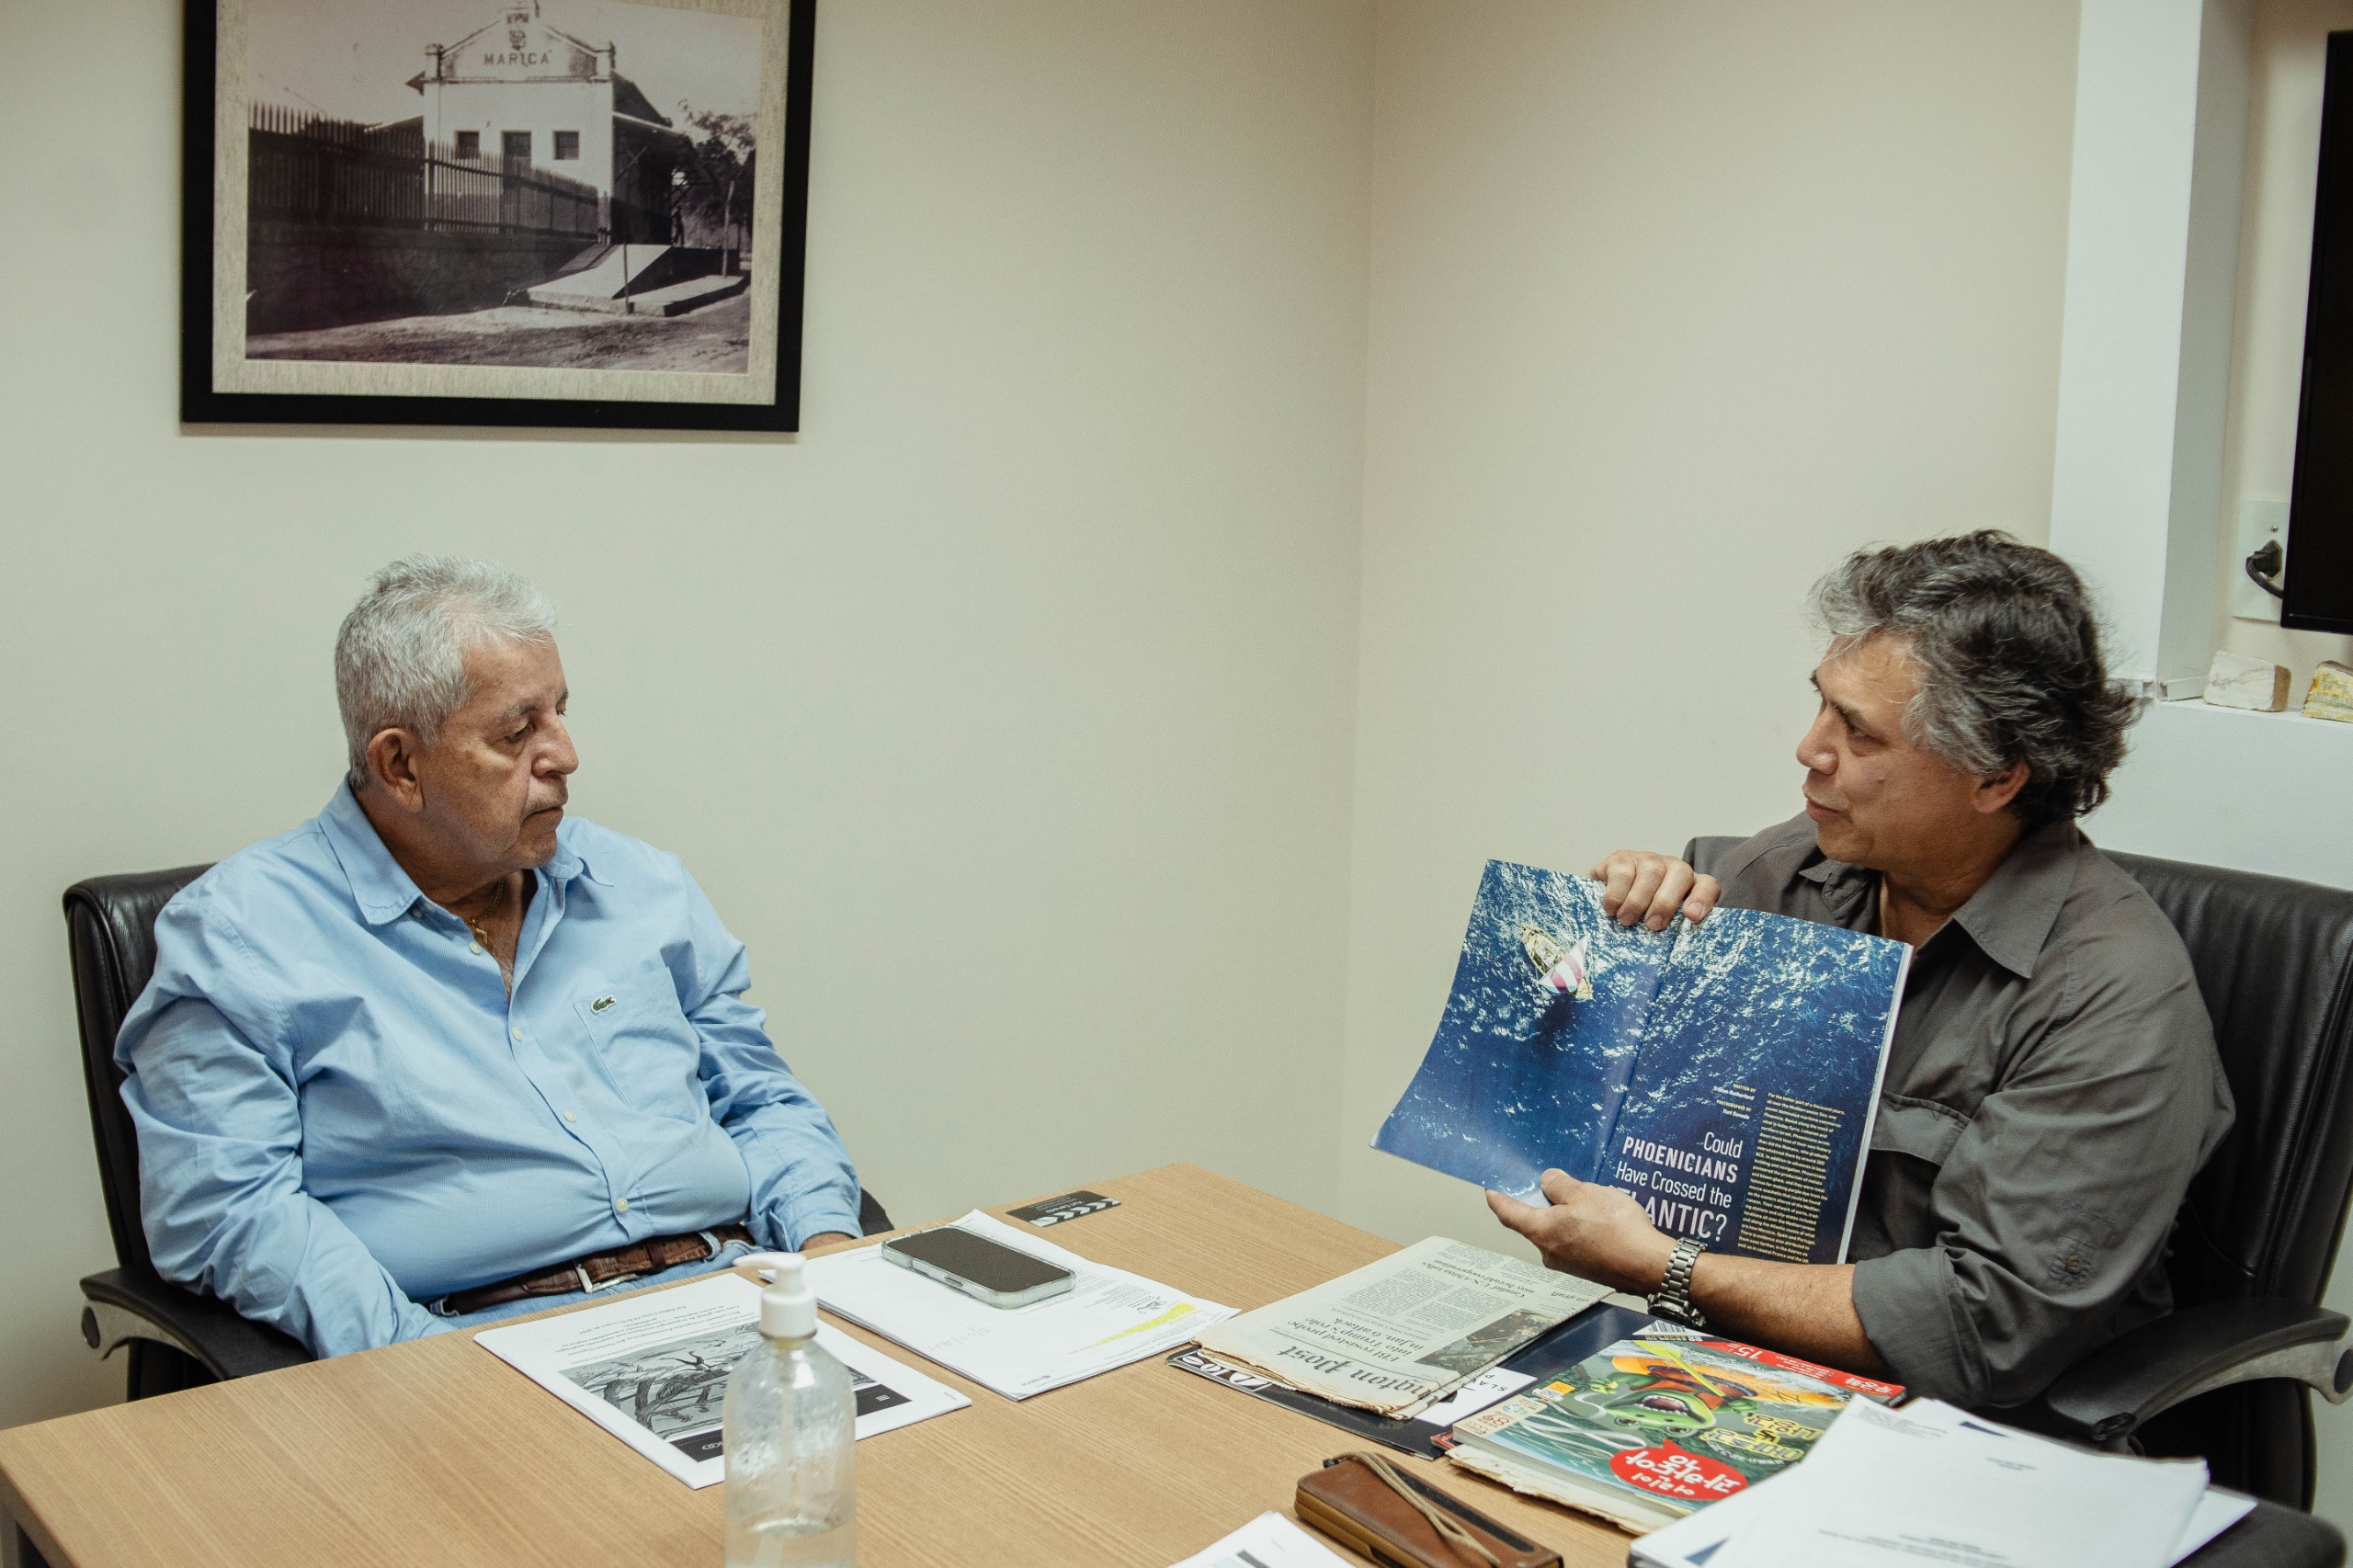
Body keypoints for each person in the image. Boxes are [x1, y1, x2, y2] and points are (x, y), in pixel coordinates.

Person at [1488, 531, 2234, 1411]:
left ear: (1995, 777)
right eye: (1821, 705)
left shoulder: (2112, 993)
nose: (1810, 749)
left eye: (1860, 733)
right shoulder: (1783, 873)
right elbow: (1598, 1122)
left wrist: (1669, 1269)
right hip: (1722, 1372)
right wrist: (1616, 942)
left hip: (1963, 1431)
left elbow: (1983, 1329)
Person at [116, 556, 861, 1358]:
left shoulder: (639, 884)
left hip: (738, 1291)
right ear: (400, 766)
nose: (565, 754)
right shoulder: (241, 936)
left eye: (560, 712)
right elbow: (230, 1212)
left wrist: (827, 1249)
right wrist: (426, 1362)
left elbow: (760, 1100)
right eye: (517, 732)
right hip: (474, 1340)